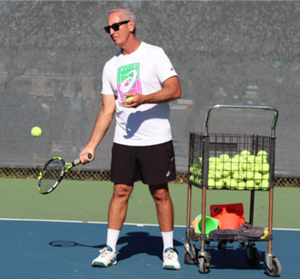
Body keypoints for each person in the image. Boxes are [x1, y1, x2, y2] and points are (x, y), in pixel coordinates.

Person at [79, 7, 182, 270]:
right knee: (120, 191)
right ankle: (110, 249)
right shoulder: (110, 66)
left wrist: (144, 98)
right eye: (108, 29)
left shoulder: (154, 54)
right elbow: (107, 109)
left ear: (131, 25)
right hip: (124, 141)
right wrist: (91, 146)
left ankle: (169, 249)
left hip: (156, 139)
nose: (111, 32)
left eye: (116, 26)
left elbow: (175, 89)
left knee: (160, 193)